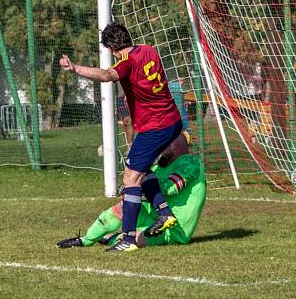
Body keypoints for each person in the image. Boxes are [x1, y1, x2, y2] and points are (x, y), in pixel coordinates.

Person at [60, 23, 183, 252]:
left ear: (111, 48)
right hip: (172, 120)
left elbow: (107, 75)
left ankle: (127, 239)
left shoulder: (126, 62)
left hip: (156, 127)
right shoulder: (149, 49)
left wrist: (75, 68)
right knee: (142, 171)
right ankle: (164, 213)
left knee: (130, 178)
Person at [57, 132, 205, 249]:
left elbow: (170, 188)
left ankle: (115, 238)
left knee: (132, 240)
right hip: (153, 219)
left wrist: (140, 185)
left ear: (173, 145)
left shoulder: (190, 163)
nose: (158, 150)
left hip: (173, 230)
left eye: (161, 145)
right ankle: (85, 240)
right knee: (123, 205)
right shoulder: (160, 167)